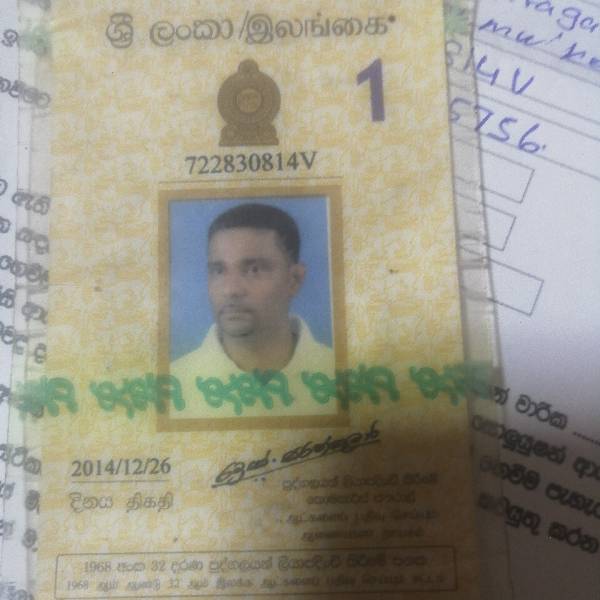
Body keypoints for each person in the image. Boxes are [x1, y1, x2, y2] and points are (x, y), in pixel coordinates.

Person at [170, 203, 335, 418]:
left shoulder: (340, 375)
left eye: (254, 270)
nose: (231, 290)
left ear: (294, 280)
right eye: (218, 271)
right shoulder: (172, 385)